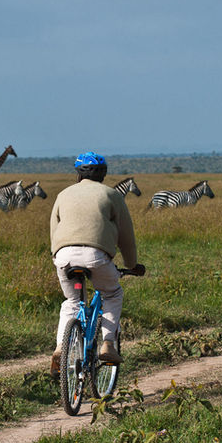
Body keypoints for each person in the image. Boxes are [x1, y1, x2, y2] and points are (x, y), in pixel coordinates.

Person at [49, 151, 141, 377]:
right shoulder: (112, 195)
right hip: (96, 256)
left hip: (64, 256)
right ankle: (108, 344)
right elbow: (126, 237)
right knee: (112, 294)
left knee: (72, 301)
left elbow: (54, 229)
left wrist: (57, 256)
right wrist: (132, 264)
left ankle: (61, 347)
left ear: (78, 173)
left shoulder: (63, 194)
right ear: (103, 174)